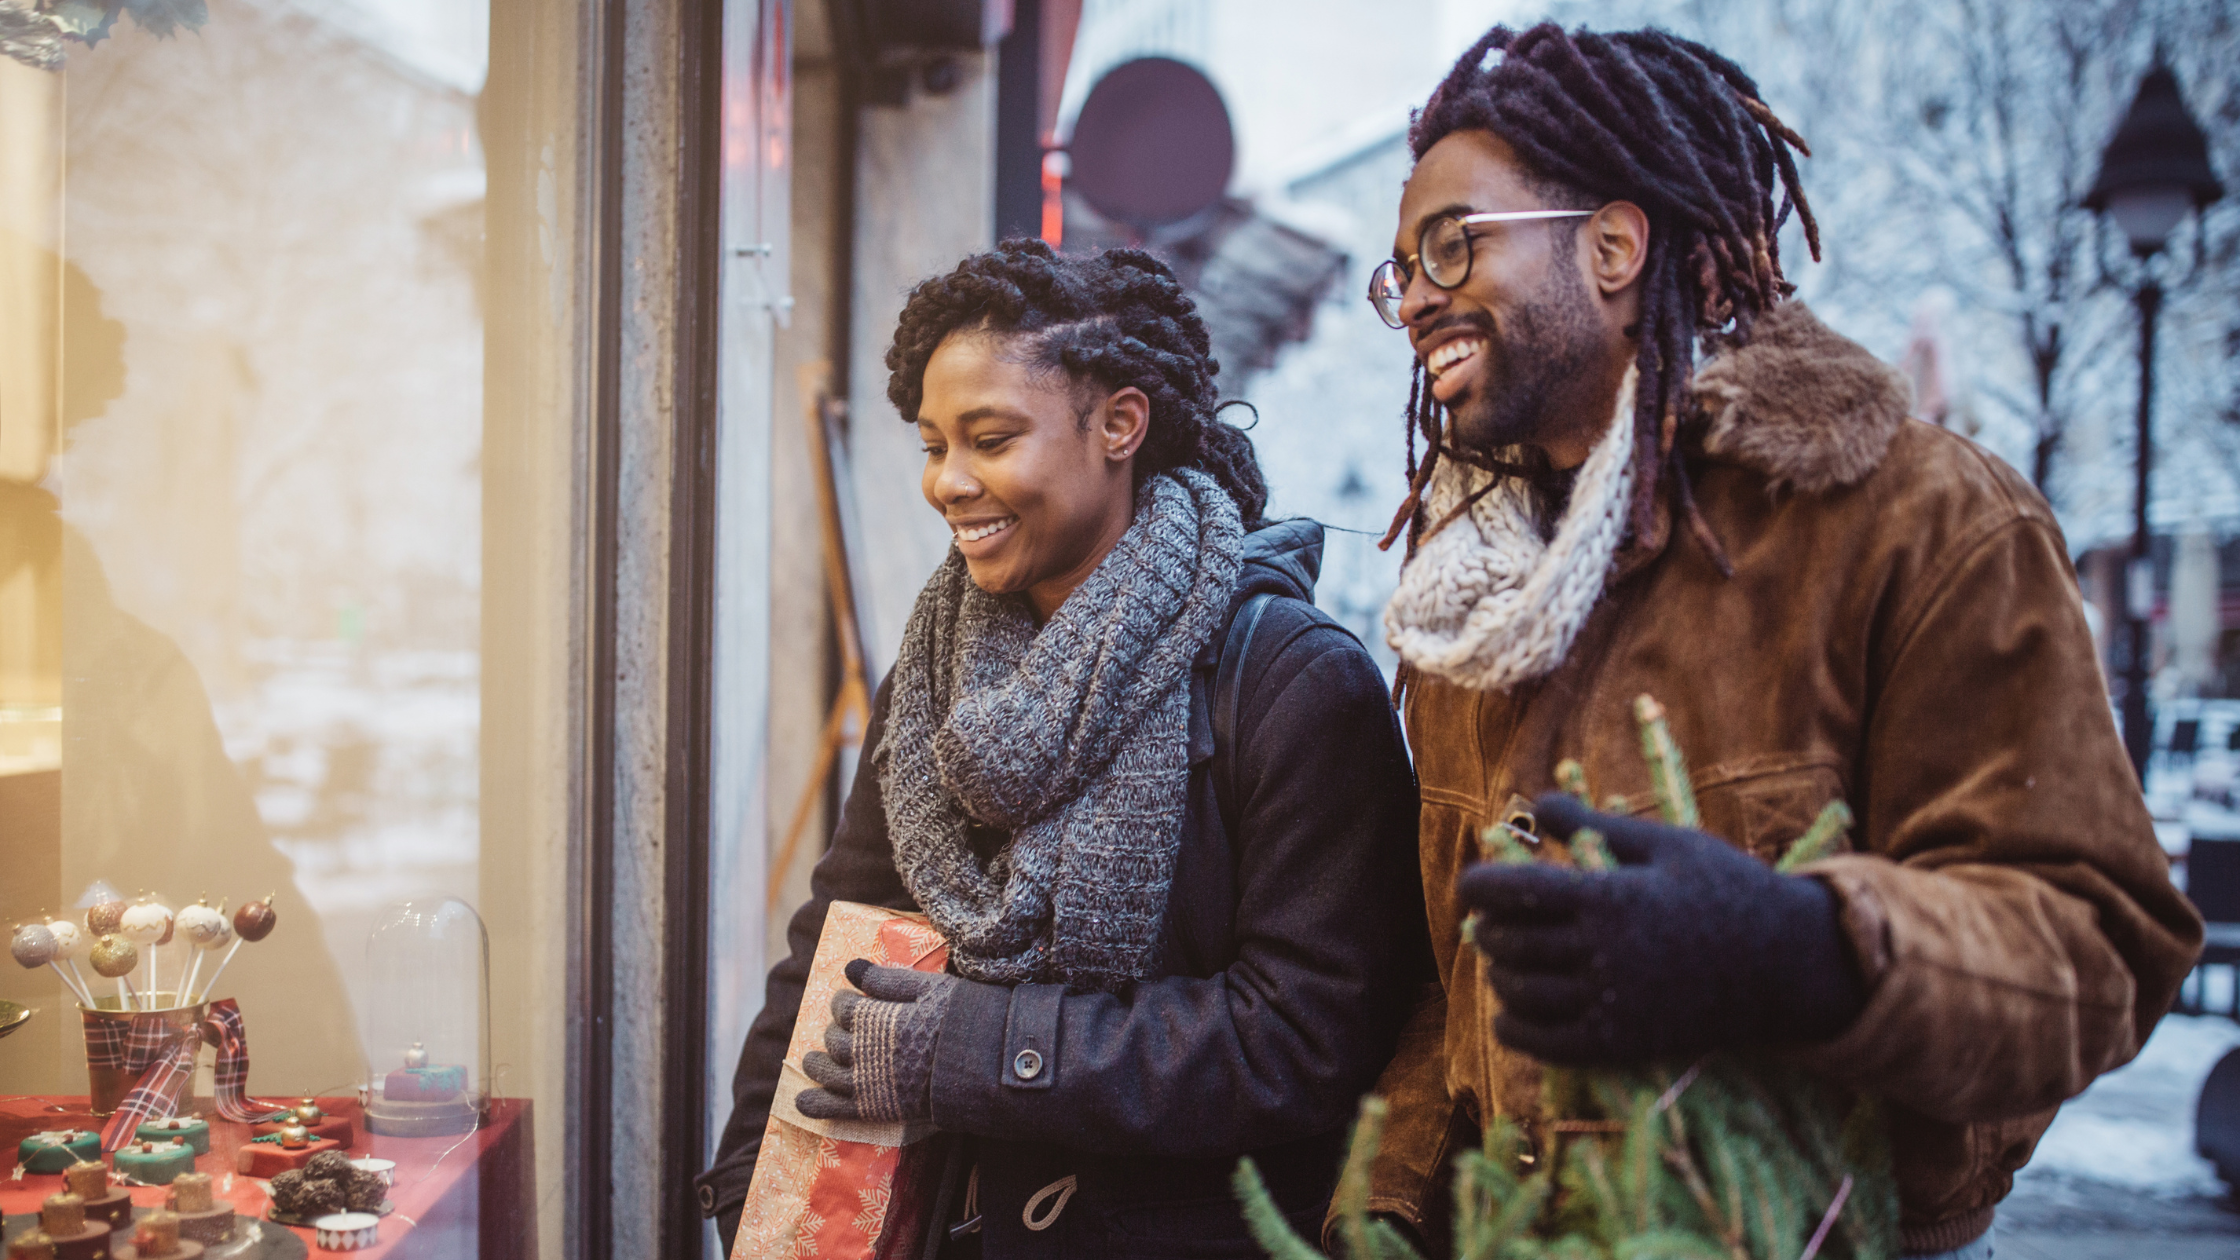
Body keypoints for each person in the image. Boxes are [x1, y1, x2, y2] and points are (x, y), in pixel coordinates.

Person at [1359, 23, 2204, 1260]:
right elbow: (1454, 982)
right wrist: (1383, 1207)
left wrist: (1801, 953)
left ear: (1609, 244)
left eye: (1450, 244)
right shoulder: (1465, 598)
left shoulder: (1915, 519)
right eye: (1399, 271)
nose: (1416, 296)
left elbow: (2101, 942)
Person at [696, 241, 1432, 1258]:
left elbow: (1303, 1039)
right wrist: (751, 1205)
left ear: (1120, 424)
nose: (948, 483)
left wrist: (981, 1049)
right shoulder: (939, 670)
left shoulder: (1289, 683)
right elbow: (838, 946)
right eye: (930, 446)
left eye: (990, 438)